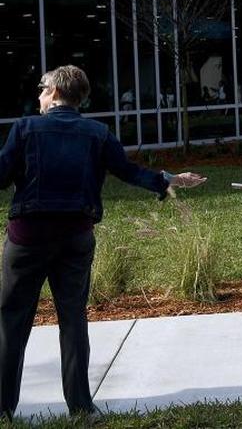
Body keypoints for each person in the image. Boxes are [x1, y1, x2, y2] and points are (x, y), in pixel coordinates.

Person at [0, 65, 206, 419]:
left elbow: (1, 175)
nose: (38, 95)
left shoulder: (25, 129)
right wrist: (168, 179)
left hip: (27, 238)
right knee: (73, 319)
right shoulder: (97, 133)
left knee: (12, 321)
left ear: (53, 92)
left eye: (40, 89)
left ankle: (3, 409)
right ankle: (81, 407)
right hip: (75, 237)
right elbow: (128, 170)